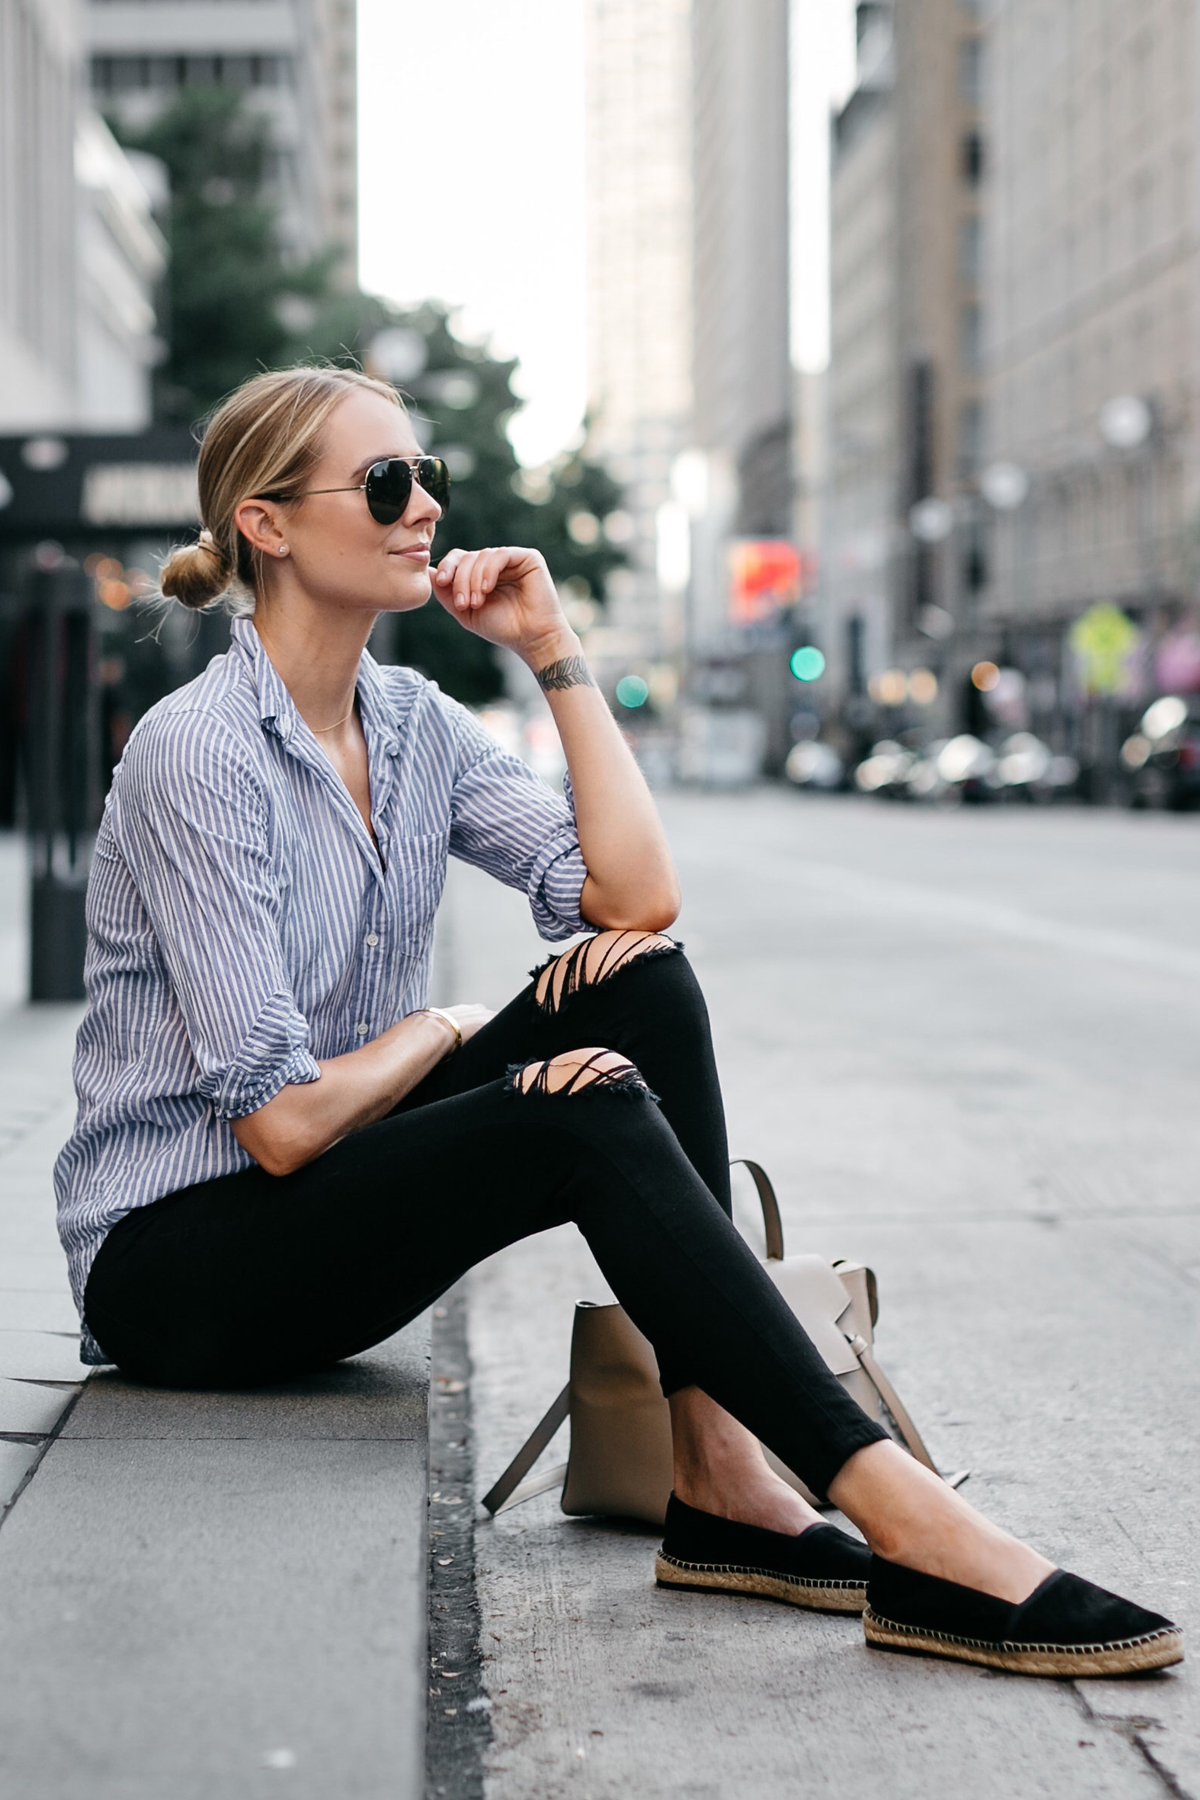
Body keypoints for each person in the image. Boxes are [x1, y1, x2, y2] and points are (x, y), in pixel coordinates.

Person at [56, 367, 1181, 1682]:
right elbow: (283, 1120)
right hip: (181, 1265)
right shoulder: (203, 753)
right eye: (385, 484)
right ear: (269, 524)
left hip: (320, 1209)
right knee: (579, 1097)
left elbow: (633, 899)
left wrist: (553, 652)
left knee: (639, 985)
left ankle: (723, 1482)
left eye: (428, 478)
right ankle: (910, 1522)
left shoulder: (415, 724)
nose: (425, 506)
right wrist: (443, 1029)